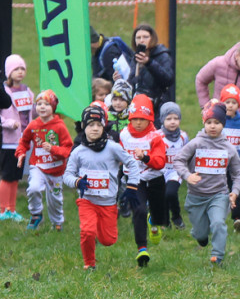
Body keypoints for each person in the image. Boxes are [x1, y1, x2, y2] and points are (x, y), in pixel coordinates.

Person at [64, 105, 142, 270]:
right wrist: (77, 182)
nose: (95, 128)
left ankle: (99, 229)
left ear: (104, 127)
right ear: (84, 127)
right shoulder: (78, 152)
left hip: (108, 202)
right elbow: (67, 175)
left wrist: (132, 186)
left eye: (99, 125)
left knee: (108, 240)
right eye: (91, 125)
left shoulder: (113, 147)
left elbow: (132, 164)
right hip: (87, 201)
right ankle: (89, 264)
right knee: (87, 232)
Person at [172, 102, 240, 266]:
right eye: (209, 122)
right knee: (201, 235)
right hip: (196, 196)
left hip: (219, 195)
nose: (213, 126)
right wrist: (188, 176)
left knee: (218, 223)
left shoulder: (228, 148)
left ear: (223, 125)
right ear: (204, 123)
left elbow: (238, 173)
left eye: (217, 123)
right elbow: (178, 161)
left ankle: (217, 256)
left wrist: (235, 191)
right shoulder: (196, 143)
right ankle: (201, 235)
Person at [15, 90, 74, 231]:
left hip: (56, 170)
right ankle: (36, 215)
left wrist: (53, 149)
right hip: (38, 166)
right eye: (39, 103)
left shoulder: (59, 126)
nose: (42, 107)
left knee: (55, 199)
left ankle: (57, 223)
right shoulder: (33, 125)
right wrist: (21, 153)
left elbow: (67, 148)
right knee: (34, 188)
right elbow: (24, 141)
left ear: (53, 107)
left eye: (46, 104)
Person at [120, 94, 169, 259]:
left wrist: (145, 158)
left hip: (155, 178)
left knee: (158, 214)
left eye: (143, 119)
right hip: (135, 179)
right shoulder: (124, 135)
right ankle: (142, 248)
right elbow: (118, 153)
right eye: (135, 119)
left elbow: (161, 161)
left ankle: (154, 222)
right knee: (139, 210)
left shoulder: (155, 136)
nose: (138, 123)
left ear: (150, 119)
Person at [195, 32, 240, 119]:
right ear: (237, 56)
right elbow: (201, 79)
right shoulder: (218, 64)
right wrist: (205, 106)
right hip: (217, 117)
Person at [2, 55, 33, 220]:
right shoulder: (3, 92)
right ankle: (1, 210)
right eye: (16, 69)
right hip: (8, 142)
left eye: (22, 69)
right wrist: (8, 123)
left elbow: (33, 111)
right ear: (8, 72)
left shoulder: (27, 91)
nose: (20, 72)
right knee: (7, 176)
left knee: (15, 177)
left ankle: (11, 210)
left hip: (23, 141)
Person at [219, 84, 240, 232]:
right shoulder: (218, 121)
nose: (230, 105)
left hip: (238, 164)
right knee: (221, 190)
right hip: (221, 164)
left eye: (233, 102)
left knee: (238, 189)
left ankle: (238, 219)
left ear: (238, 104)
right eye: (227, 102)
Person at [127, 23, 175, 114]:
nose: (141, 40)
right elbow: (132, 82)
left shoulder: (162, 55)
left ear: (152, 38)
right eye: (138, 38)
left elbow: (168, 79)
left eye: (145, 37)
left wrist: (149, 63)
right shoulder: (135, 58)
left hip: (158, 106)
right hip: (138, 107)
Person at [159, 102, 188, 230]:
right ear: (162, 120)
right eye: (168, 119)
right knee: (162, 196)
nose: (172, 122)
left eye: (176, 118)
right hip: (161, 171)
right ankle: (165, 222)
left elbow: (188, 152)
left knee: (170, 193)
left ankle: (176, 216)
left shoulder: (183, 136)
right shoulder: (157, 136)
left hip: (176, 171)